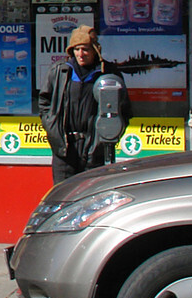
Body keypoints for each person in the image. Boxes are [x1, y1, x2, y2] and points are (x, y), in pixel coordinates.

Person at [40, 24, 128, 187]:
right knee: (64, 195)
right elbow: (44, 103)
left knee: (92, 196)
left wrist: (106, 139)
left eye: (86, 49)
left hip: (95, 150)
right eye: (77, 49)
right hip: (65, 149)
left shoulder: (108, 74)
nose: (81, 54)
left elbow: (123, 109)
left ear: (95, 50)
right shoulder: (60, 72)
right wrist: (53, 131)